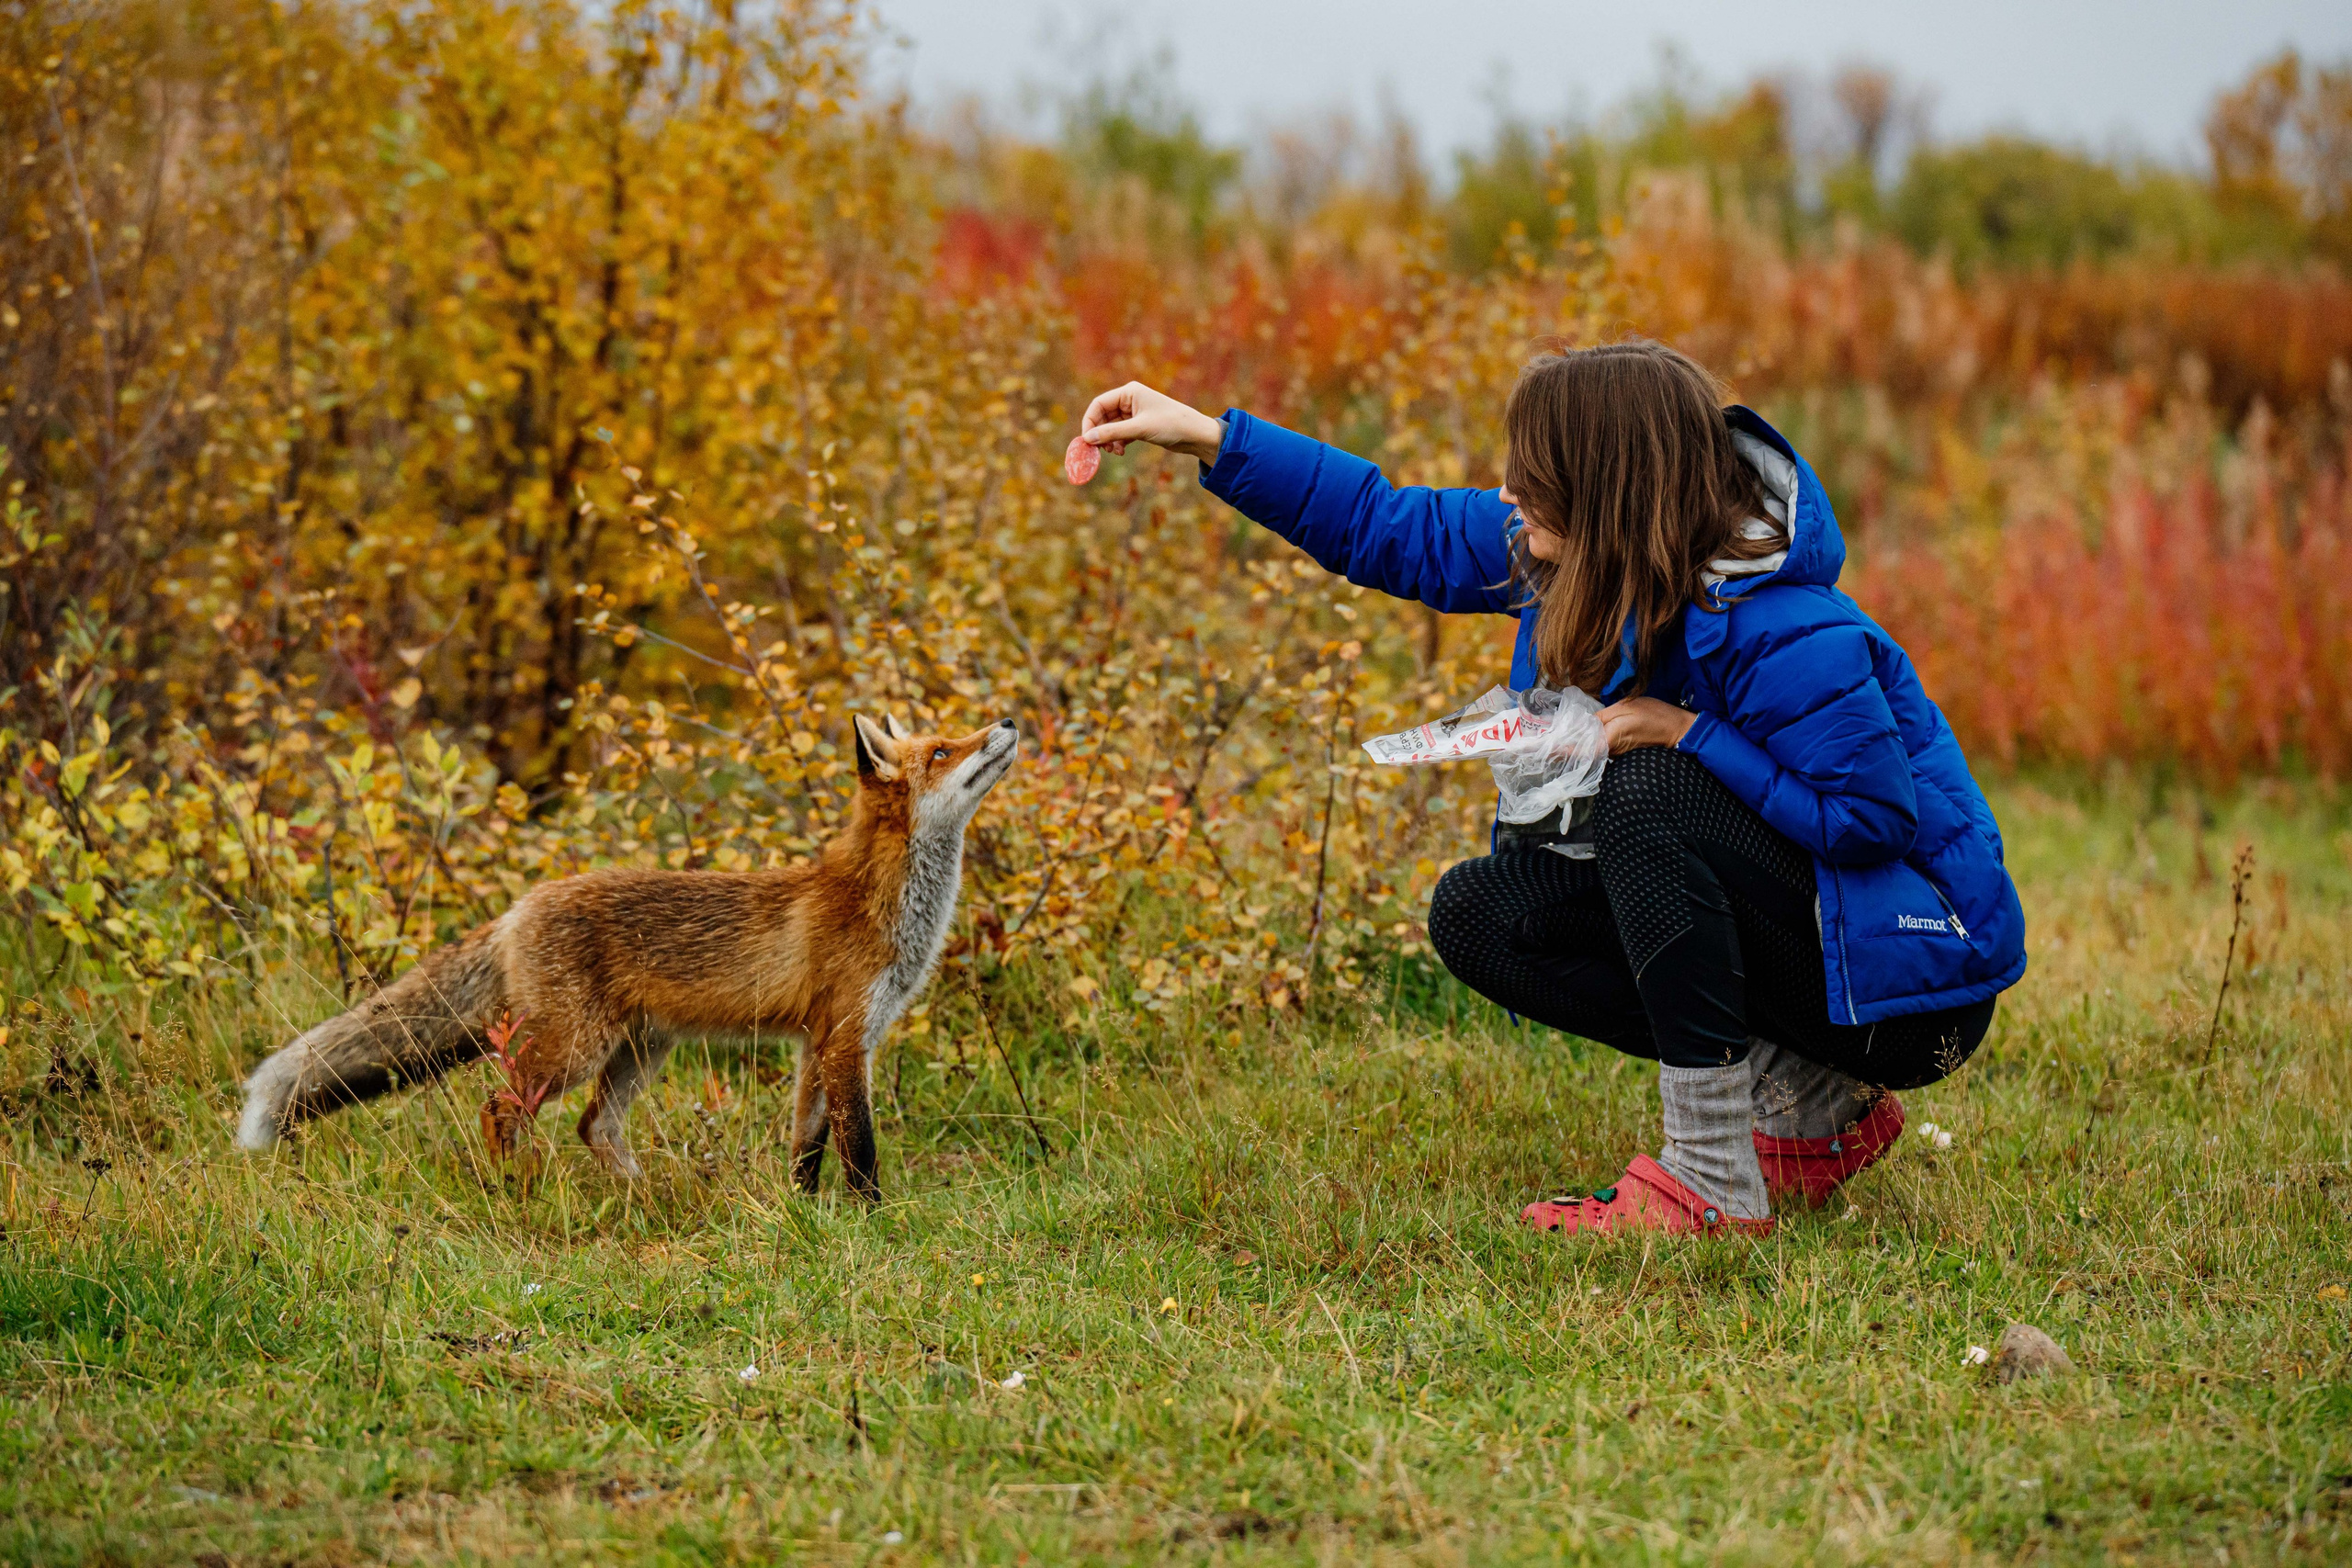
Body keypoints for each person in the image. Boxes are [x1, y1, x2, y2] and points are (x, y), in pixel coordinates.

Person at [1078, 340, 2027, 1239]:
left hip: (1911, 995)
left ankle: (1711, 1179)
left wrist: (1688, 732)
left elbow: (1869, 822)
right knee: (1485, 913)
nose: (1507, 492)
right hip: (1818, 966)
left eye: (1536, 475)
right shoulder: (1567, 557)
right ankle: (1811, 1107)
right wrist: (1209, 435)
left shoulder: (1783, 624)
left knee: (1653, 788)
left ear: (1609, 493)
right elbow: (1382, 524)